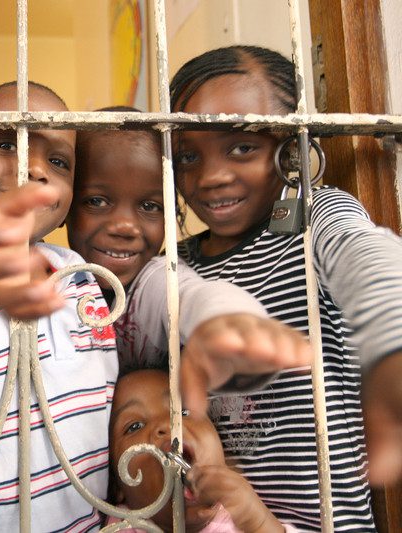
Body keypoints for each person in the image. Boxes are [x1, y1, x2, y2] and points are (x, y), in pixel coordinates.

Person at [0, 81, 311, 531]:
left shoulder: (78, 274)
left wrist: (224, 321)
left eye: (58, 162)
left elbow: (179, 290)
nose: (33, 166)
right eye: (6, 142)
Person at [170, 45, 402, 531]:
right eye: (188, 155)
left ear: (293, 147)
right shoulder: (177, 264)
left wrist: (392, 340)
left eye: (242, 147)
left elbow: (367, 255)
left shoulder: (316, 220)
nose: (210, 177)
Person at [66, 108, 310, 395]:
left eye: (149, 206)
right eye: (96, 201)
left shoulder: (152, 281)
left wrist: (225, 322)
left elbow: (188, 295)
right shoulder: (50, 278)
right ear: (67, 204)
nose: (124, 226)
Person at [108, 368, 300, 532]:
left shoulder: (244, 517)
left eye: (183, 411)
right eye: (134, 426)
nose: (168, 424)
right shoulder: (123, 526)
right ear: (118, 486)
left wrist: (260, 522)